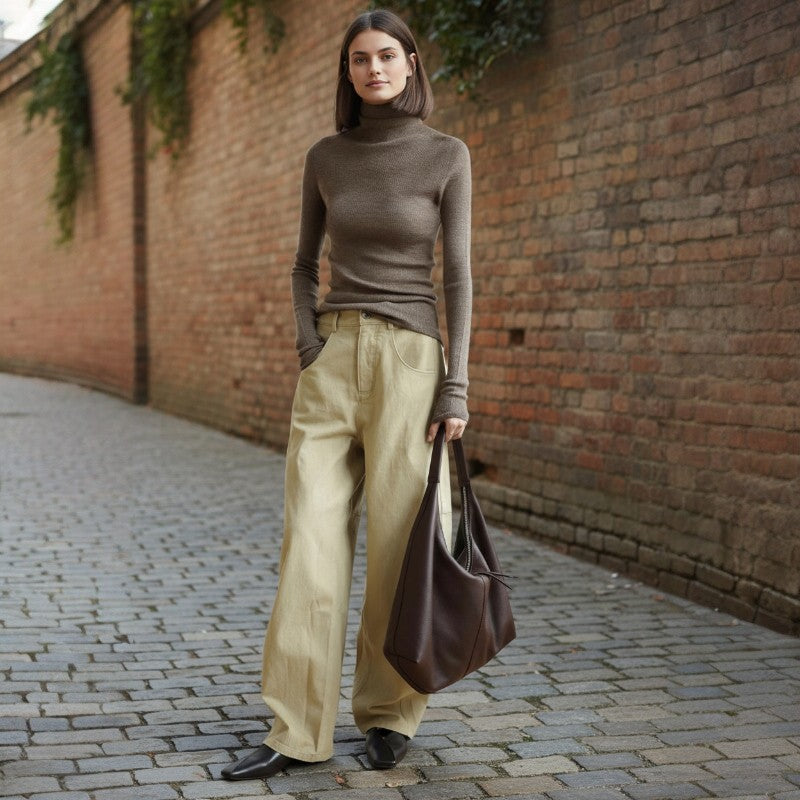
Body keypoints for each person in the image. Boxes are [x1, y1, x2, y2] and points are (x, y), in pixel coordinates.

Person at [221, 7, 472, 781]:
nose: (374, 69)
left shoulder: (445, 155)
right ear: (349, 71)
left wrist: (454, 384)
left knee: (402, 545)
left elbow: (459, 276)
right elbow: (302, 265)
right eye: (360, 59)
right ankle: (296, 729)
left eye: (387, 55)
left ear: (411, 63)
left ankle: (390, 715)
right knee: (312, 540)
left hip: (410, 364)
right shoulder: (326, 156)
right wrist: (309, 345)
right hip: (333, 360)